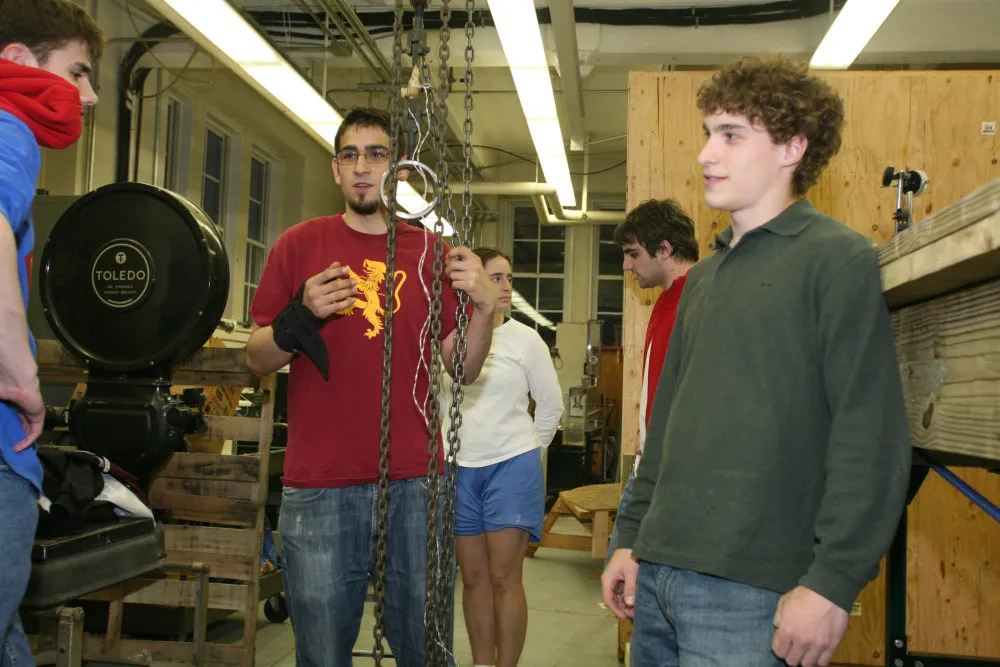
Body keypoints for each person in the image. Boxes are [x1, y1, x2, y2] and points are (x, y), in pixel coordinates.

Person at [602, 56, 912, 667]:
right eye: (707, 134)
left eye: (731, 135)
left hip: (750, 593)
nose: (706, 155)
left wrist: (833, 581)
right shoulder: (704, 279)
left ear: (792, 147)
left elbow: (869, 436)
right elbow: (664, 431)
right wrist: (631, 539)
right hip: (658, 576)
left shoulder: (836, 260)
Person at [246, 106, 496, 667]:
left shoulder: (429, 252)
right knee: (322, 654)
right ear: (335, 170)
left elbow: (463, 368)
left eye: (377, 154)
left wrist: (484, 310)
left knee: (424, 651)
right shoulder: (298, 245)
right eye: (351, 155)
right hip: (320, 485)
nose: (363, 167)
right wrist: (300, 315)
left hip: (416, 481)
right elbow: (256, 357)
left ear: (398, 172)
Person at [0, 1, 102, 664]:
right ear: (16, 63)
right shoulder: (10, 129)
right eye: (79, 72)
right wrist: (21, 373)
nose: (89, 96)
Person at [440, 247, 563, 667]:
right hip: (459, 470)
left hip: (512, 467)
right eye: (495, 277)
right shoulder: (447, 340)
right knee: (472, 579)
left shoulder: (526, 340)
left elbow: (550, 407)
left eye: (509, 277)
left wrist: (527, 452)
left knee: (503, 577)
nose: (506, 286)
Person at [603, 199, 698, 568]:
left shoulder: (698, 299)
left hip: (672, 478)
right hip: (650, 472)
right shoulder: (664, 300)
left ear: (664, 249)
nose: (627, 265)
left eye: (633, 254)